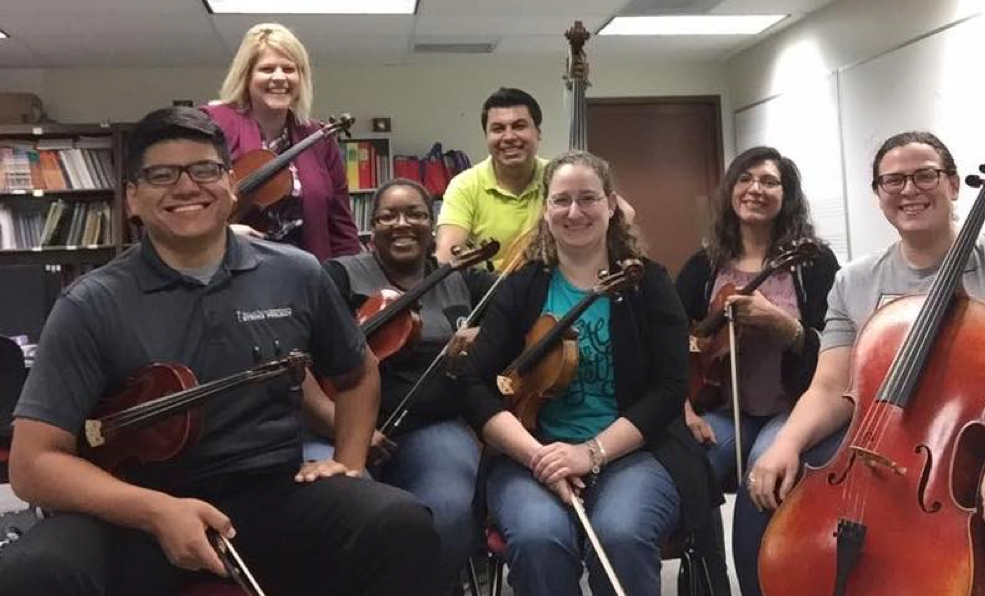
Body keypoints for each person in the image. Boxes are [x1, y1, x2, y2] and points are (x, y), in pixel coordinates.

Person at [0, 107, 439, 596]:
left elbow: (357, 374)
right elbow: (33, 464)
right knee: (27, 573)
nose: (186, 187)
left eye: (204, 170)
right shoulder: (91, 302)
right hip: (132, 506)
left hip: (270, 493)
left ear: (232, 186)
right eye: (161, 175)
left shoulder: (298, 274)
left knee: (399, 523)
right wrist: (155, 510)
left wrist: (350, 460)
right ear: (132, 199)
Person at [744, 131, 985, 595]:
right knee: (767, 480)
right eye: (893, 181)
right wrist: (785, 443)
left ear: (953, 185)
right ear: (878, 195)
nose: (909, 190)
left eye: (925, 175)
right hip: (891, 445)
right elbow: (830, 388)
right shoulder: (856, 280)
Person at [456, 150, 725, 596]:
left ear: (612, 205)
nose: (574, 212)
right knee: (540, 538)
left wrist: (591, 453)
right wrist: (536, 456)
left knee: (621, 533)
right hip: (532, 454)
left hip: (638, 452)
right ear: (546, 209)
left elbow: (669, 387)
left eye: (588, 198)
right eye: (561, 200)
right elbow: (474, 384)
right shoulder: (523, 286)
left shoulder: (649, 284)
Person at [301, 177, 491, 594]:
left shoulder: (462, 280)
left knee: (452, 509)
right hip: (335, 424)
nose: (402, 224)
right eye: (388, 216)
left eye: (415, 214)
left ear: (433, 224)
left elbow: (514, 319)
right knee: (350, 508)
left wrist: (485, 336)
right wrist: (346, 427)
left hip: (430, 426)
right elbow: (298, 368)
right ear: (372, 228)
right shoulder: (338, 276)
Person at [674, 146, 839, 593]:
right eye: (745, 179)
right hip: (723, 411)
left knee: (761, 477)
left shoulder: (813, 264)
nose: (755, 190)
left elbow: (840, 351)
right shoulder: (704, 266)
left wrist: (785, 325)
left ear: (786, 196)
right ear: (730, 191)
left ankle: (759, 583)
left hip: (792, 408)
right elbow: (672, 345)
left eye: (769, 181)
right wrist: (684, 410)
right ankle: (710, 581)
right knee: (688, 469)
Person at [204, 22, 361, 262]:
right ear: (246, 76)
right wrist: (219, 234)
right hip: (229, 273)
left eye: (289, 69)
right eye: (267, 69)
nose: (279, 78)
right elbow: (186, 203)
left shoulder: (319, 137)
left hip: (306, 277)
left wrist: (350, 283)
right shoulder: (213, 124)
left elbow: (341, 227)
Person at [435, 87, 548, 271]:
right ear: (486, 137)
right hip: (487, 290)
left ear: (538, 132)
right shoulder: (465, 185)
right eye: (498, 129)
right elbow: (446, 258)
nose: (509, 137)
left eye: (519, 126)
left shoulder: (559, 178)